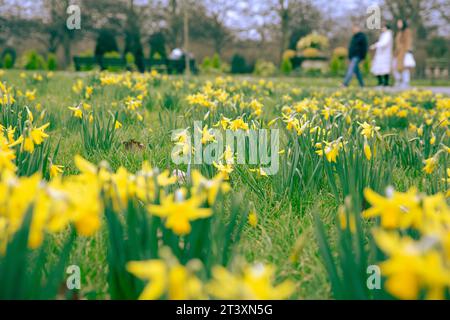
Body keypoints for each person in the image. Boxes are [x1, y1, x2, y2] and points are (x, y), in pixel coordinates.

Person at [393, 19, 414, 88]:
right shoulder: (399, 32)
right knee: (396, 67)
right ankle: (399, 81)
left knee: (405, 68)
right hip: (399, 52)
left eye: (400, 23)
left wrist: (407, 50)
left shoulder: (407, 31)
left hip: (404, 52)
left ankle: (405, 82)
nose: (398, 24)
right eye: (398, 23)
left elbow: (408, 41)